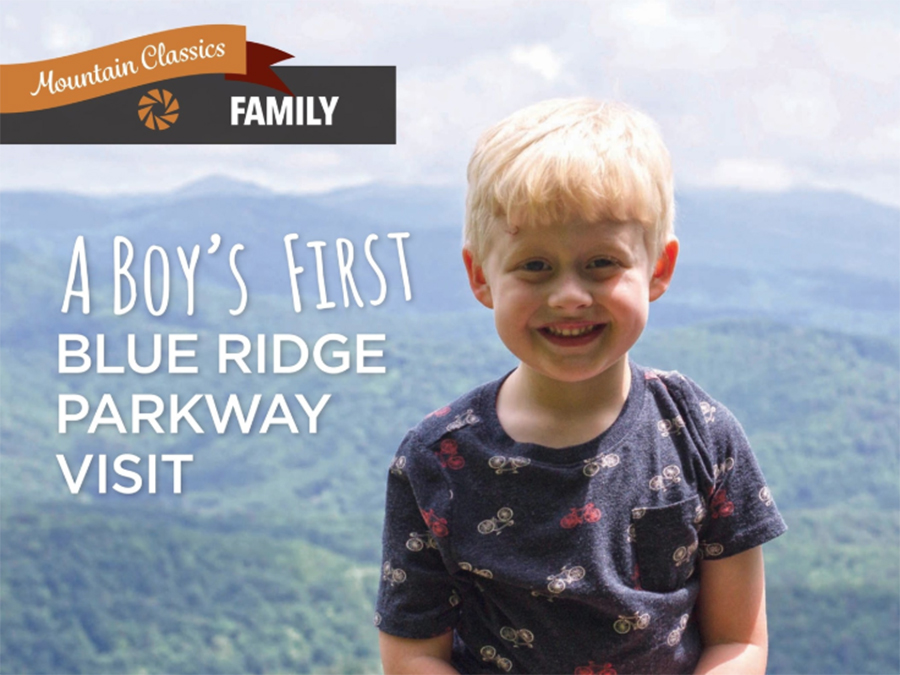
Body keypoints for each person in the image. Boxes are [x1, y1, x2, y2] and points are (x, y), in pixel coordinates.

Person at [374, 98, 787, 675]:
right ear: (480, 277)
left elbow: (738, 642)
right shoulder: (437, 459)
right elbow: (412, 654)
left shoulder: (701, 434)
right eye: (535, 266)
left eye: (601, 263)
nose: (569, 295)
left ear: (659, 269)